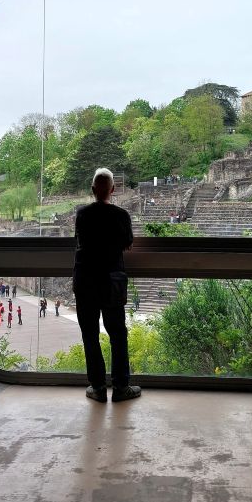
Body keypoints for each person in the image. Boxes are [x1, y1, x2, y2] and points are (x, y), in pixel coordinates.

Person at [73, 167, 141, 403]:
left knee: (90, 334)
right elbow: (128, 243)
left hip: (85, 281)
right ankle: (121, 387)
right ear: (113, 189)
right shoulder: (121, 216)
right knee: (117, 334)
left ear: (93, 190)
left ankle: (98, 387)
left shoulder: (82, 215)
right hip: (111, 280)